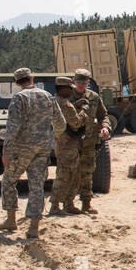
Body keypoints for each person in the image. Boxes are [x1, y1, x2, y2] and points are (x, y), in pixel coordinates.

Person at [0, 68, 57, 239]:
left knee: (9, 180)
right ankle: (33, 227)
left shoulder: (19, 98)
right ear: (32, 78)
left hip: (22, 148)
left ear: (17, 83)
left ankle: (11, 220)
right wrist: (57, 136)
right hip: (43, 147)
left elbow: (12, 127)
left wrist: (6, 152)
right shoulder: (47, 95)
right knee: (37, 186)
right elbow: (59, 121)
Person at [70, 68, 112, 215]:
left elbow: (103, 115)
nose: (81, 85)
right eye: (79, 82)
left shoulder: (93, 97)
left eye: (84, 82)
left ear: (87, 82)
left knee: (87, 171)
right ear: (74, 81)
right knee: (70, 172)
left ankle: (86, 204)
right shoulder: (67, 97)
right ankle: (68, 204)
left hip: (89, 140)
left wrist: (105, 127)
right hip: (71, 141)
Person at [50, 77, 86, 216]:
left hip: (63, 143)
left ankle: (68, 204)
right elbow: (76, 123)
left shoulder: (53, 101)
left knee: (74, 174)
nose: (72, 90)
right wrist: (83, 112)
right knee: (65, 174)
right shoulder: (65, 104)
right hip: (68, 144)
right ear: (62, 89)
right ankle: (56, 205)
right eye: (69, 88)